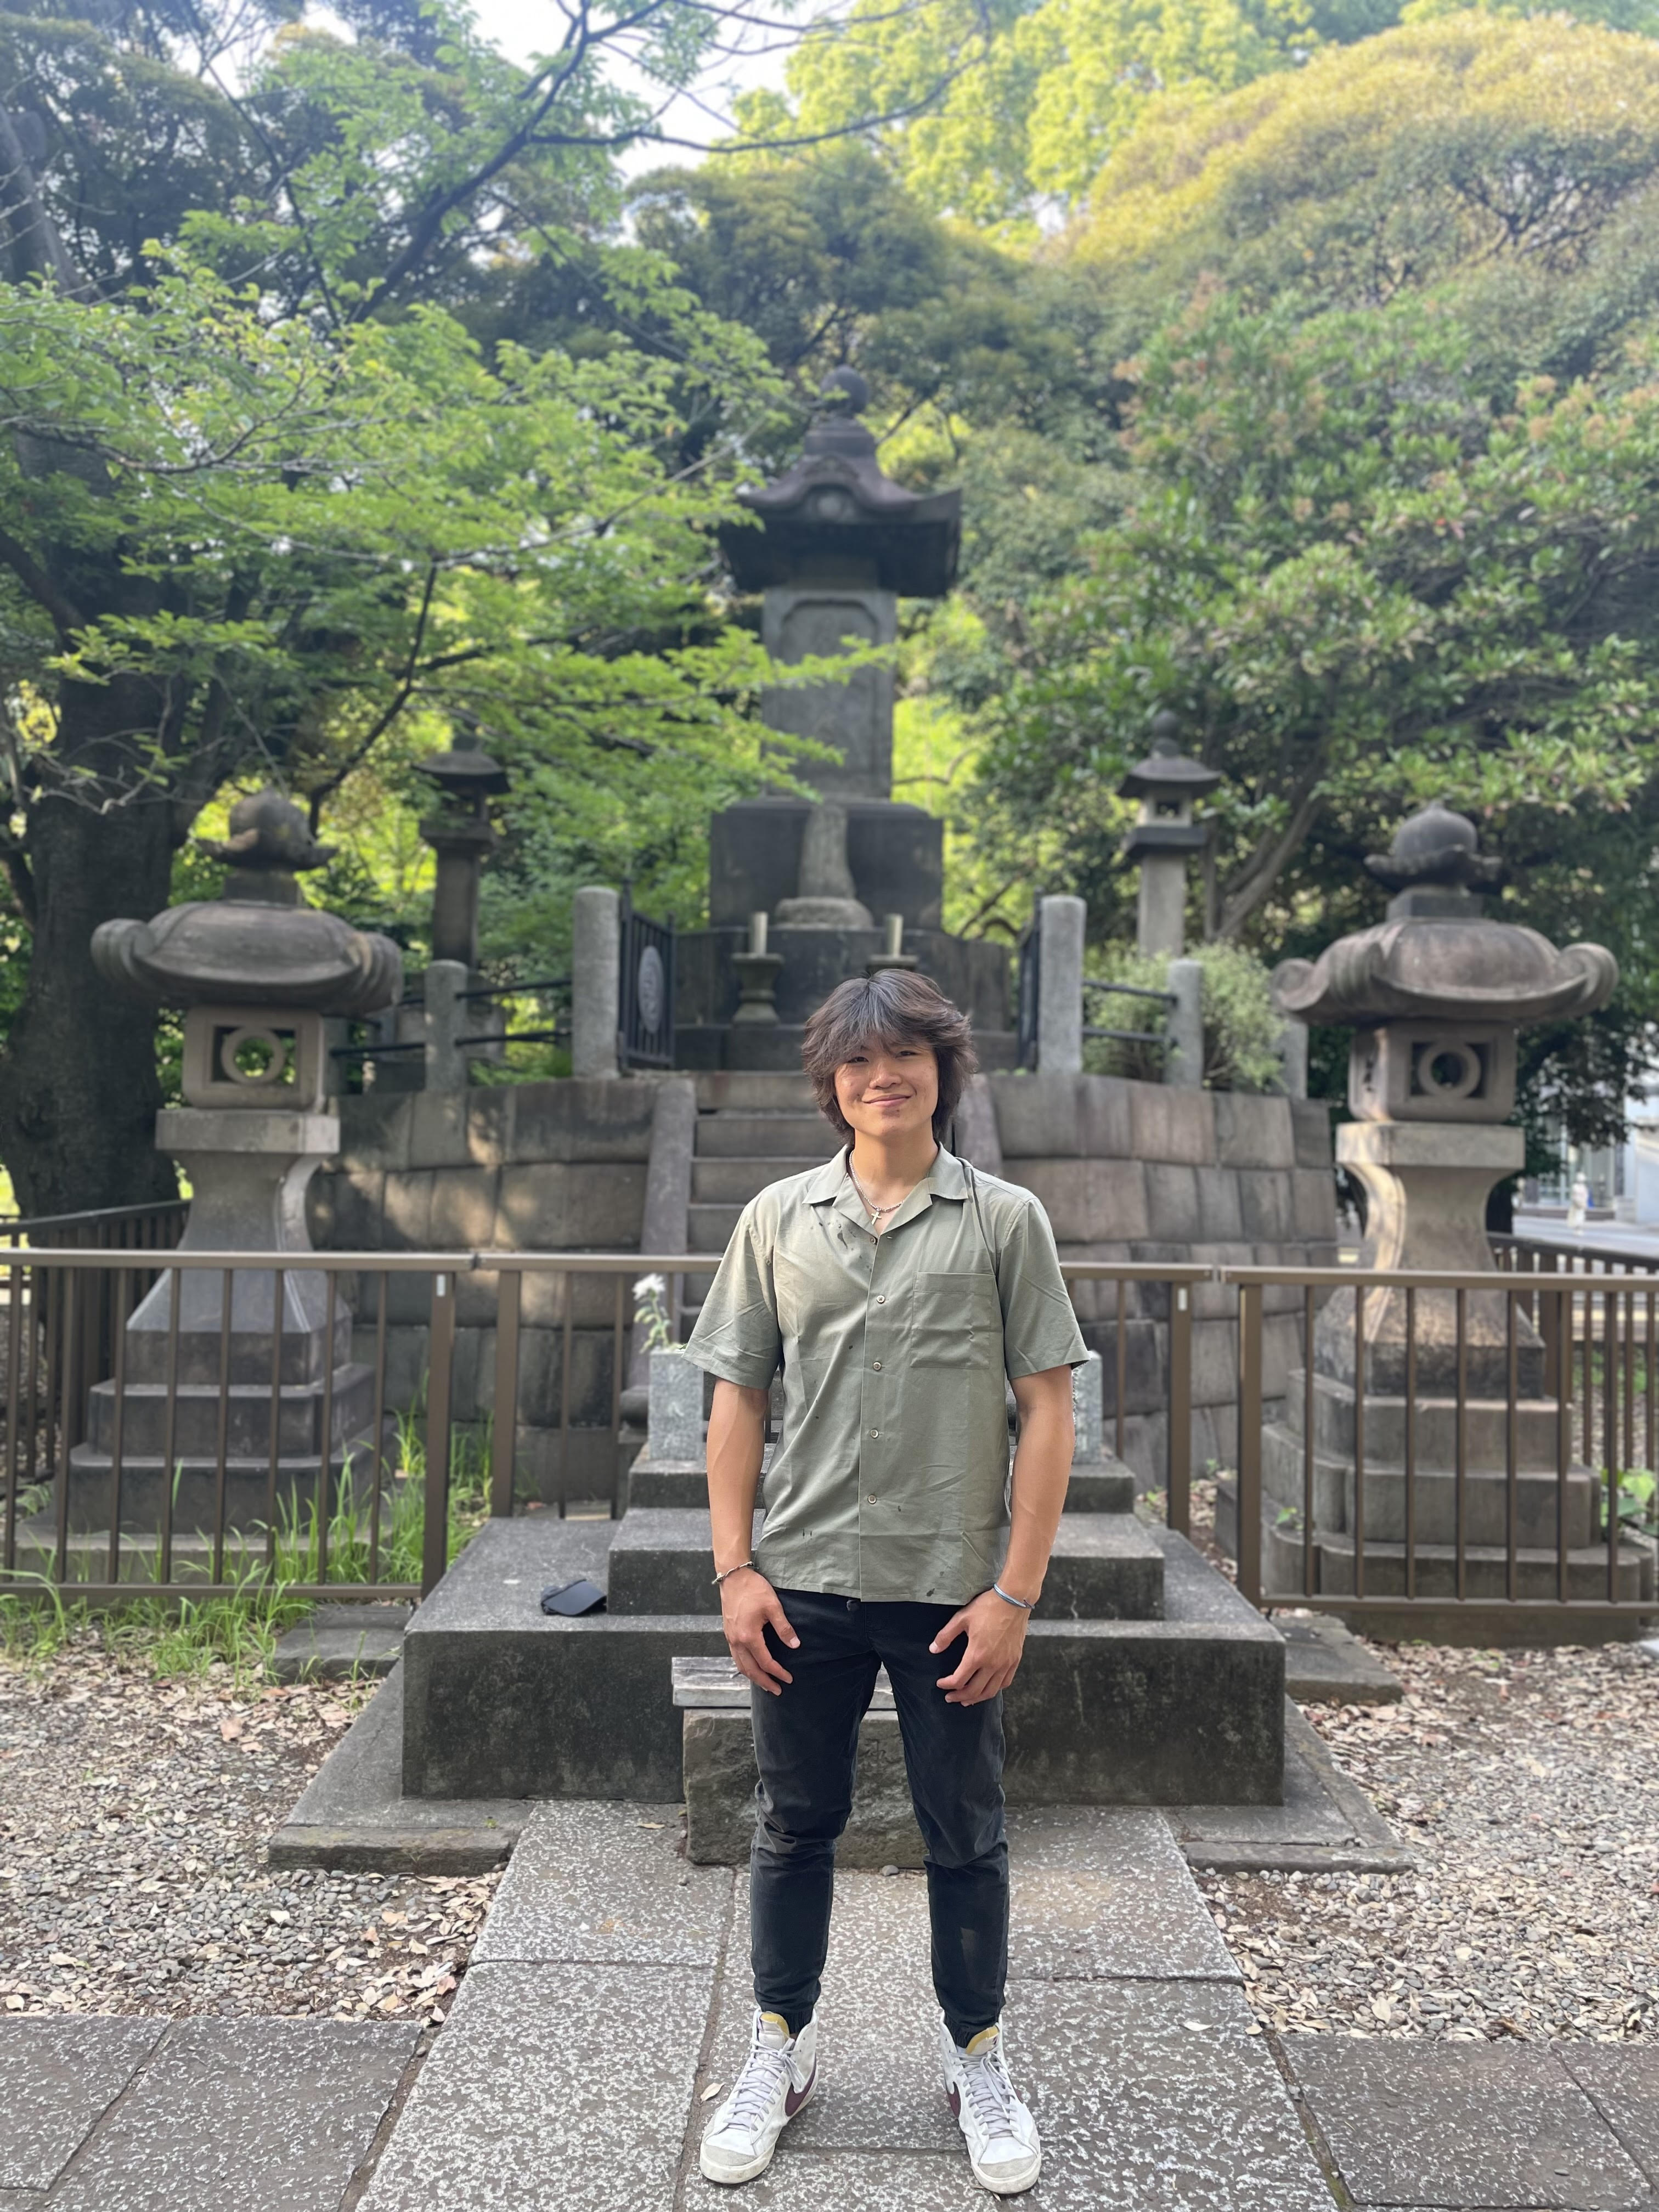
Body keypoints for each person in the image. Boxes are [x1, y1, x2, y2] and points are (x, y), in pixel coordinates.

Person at [686, 970, 1087, 2196]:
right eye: (858, 1061)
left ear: (942, 1070)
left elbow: (1047, 1409)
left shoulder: (1004, 1220)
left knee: (965, 1829)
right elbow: (738, 1401)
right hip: (800, 1580)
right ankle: (779, 2046)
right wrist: (734, 1570)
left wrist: (1015, 1595)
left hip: (953, 1592)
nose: (882, 1078)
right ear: (832, 1083)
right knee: (793, 1822)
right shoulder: (777, 1218)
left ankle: (978, 2057)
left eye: (905, 1054)